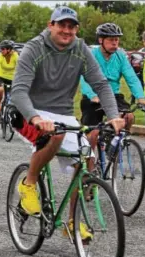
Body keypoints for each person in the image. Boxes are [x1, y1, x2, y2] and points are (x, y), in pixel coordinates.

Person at [10, 6, 125, 241]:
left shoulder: (80, 49)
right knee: (56, 136)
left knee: (87, 159)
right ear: (50, 25)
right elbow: (19, 90)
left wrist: (113, 115)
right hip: (27, 110)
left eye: (71, 26)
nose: (66, 30)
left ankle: (73, 222)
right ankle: (29, 183)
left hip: (61, 112)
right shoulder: (35, 48)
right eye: (61, 24)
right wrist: (36, 118)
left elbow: (101, 85)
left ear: (77, 29)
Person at [80, 23, 145, 152]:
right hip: (93, 96)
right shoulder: (91, 55)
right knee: (92, 135)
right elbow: (84, 78)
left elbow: (131, 77)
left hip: (113, 95)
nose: (115, 43)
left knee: (128, 117)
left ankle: (115, 144)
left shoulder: (120, 56)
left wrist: (141, 98)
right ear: (101, 40)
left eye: (117, 40)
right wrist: (93, 96)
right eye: (111, 40)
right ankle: (90, 165)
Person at [0, 40, 19, 116]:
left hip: (12, 77)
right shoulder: (0, 56)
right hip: (0, 76)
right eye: (1, 49)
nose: (1, 51)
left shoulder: (15, 56)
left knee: (17, 93)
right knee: (0, 90)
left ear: (9, 49)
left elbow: (20, 67)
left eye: (3, 49)